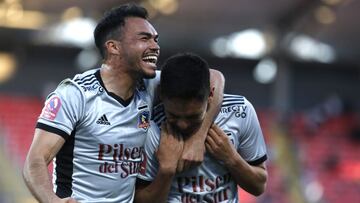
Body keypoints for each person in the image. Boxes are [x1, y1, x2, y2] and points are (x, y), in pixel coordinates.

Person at [22, 4, 223, 203]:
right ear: (114, 47)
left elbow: (214, 77)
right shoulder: (75, 94)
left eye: (155, 39)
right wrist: (52, 201)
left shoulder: (150, 85)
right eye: (144, 38)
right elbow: (35, 161)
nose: (155, 46)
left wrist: (198, 138)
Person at [135, 53, 268, 203]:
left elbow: (259, 186)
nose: (183, 124)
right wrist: (166, 170)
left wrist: (231, 158)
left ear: (211, 95)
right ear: (161, 95)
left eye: (193, 117)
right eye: (173, 116)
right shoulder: (152, 129)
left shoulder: (240, 112)